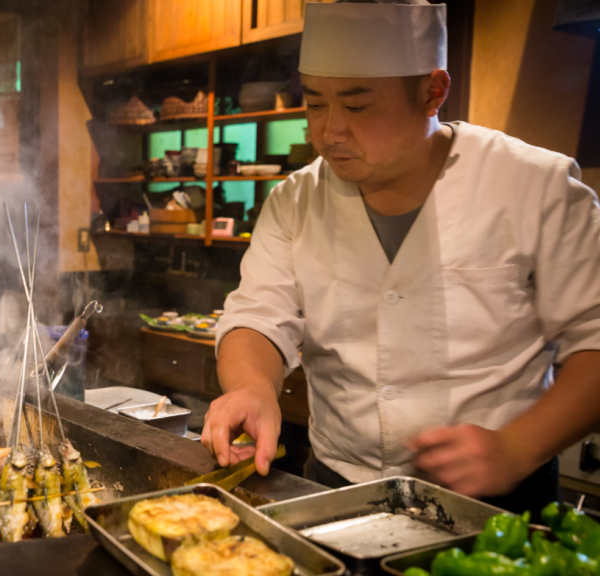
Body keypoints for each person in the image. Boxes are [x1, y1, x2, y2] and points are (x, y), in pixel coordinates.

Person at [201, 0, 600, 516]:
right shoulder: (294, 201)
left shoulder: (534, 186)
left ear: (433, 92)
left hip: (499, 507)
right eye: (315, 103)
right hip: (336, 491)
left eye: (357, 104)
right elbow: (256, 317)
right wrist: (252, 387)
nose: (328, 132)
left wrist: (516, 447)